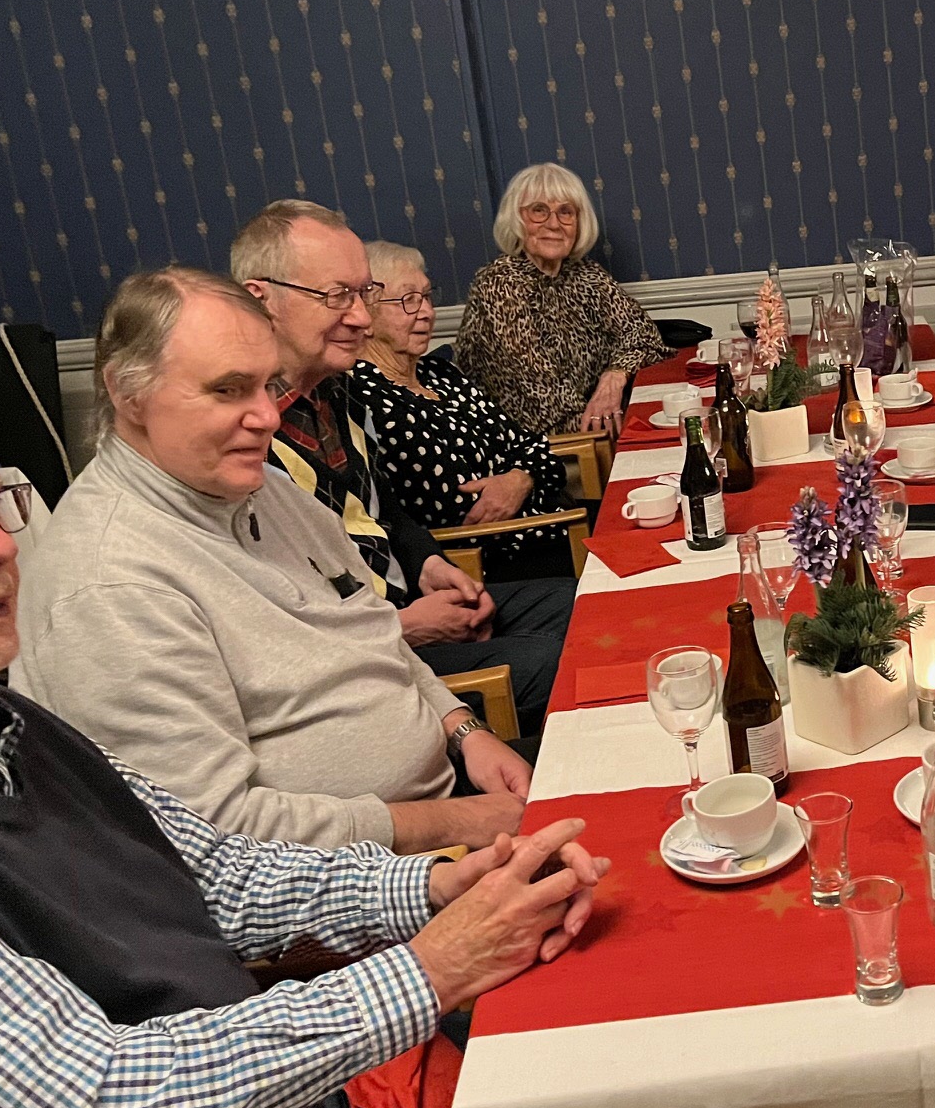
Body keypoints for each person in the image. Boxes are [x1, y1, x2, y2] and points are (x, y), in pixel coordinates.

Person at [0, 380, 607, 1108]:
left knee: (612, 1004)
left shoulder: (4, 723)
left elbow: (217, 875)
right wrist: (434, 967)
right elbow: (102, 1098)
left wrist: (434, 887)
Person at [17, 268, 535, 852]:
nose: (266, 415)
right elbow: (212, 835)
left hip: (449, 794)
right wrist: (455, 824)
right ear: (126, 393)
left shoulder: (268, 489)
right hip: (360, 875)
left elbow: (373, 635)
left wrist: (464, 730)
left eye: (267, 386)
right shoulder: (108, 585)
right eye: (228, 389)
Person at [234, 200, 574, 728]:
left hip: (405, 603)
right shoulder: (242, 437)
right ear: (262, 299)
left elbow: (387, 512)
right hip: (364, 662)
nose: (361, 317)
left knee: (582, 601)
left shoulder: (338, 390)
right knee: (558, 662)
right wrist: (406, 623)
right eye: (337, 296)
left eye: (364, 294)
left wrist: (432, 566)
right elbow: (278, 624)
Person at [351, 240, 573, 576]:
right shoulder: (369, 399)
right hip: (498, 560)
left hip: (552, 525)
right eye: (408, 300)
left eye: (427, 297)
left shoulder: (441, 374)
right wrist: (525, 475)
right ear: (365, 313)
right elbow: (459, 510)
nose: (427, 312)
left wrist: (519, 479)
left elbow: (536, 449)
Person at [454, 163, 669, 437]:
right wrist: (617, 422)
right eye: (539, 210)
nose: (554, 224)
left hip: (588, 427)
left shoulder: (585, 273)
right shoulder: (499, 283)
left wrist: (615, 376)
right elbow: (547, 402)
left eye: (565, 212)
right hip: (528, 444)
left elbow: (645, 338)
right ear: (516, 219)